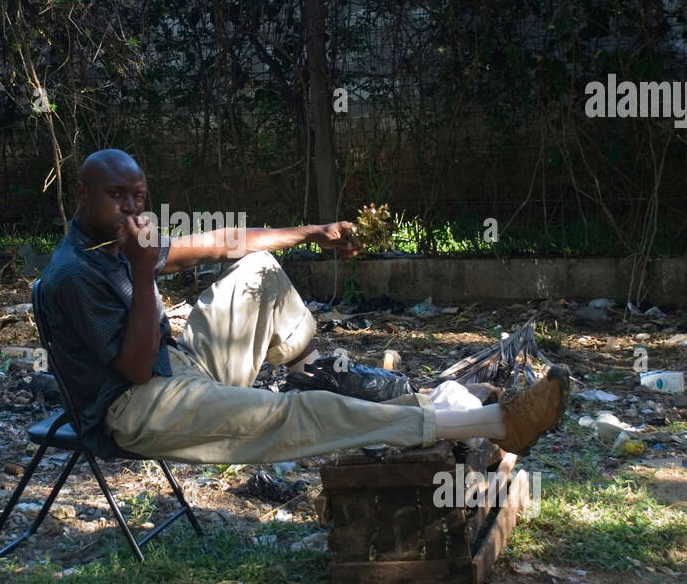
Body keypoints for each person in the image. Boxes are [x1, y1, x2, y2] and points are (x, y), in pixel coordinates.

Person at [35, 149, 569, 464]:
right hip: (133, 406)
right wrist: (146, 267)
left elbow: (226, 242)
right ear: (82, 194)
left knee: (258, 272)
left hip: (176, 367)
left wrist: (313, 232)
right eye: (116, 196)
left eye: (139, 195)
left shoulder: (117, 242)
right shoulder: (73, 274)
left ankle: (315, 371)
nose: (132, 208)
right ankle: (498, 422)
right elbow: (130, 368)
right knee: (294, 414)